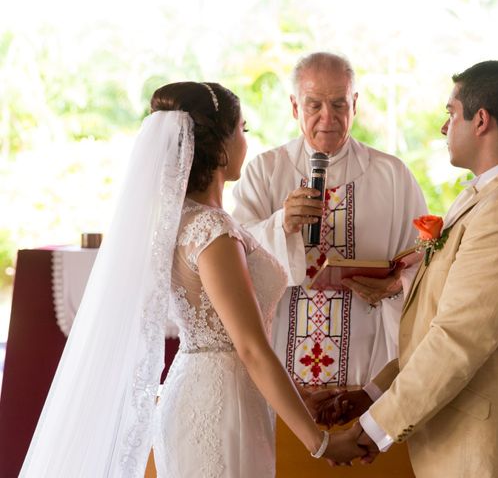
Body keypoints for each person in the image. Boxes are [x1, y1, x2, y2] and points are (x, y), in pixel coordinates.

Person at [20, 82, 364, 477]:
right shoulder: (211, 230)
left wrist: (297, 398)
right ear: (219, 145)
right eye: (243, 130)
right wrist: (320, 443)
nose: (245, 143)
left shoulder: (180, 221)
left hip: (211, 392)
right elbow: (249, 346)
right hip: (218, 408)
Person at [321, 60, 498, 477]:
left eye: (450, 114)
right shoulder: (486, 195)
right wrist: (373, 393)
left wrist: (368, 432)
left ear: (481, 120)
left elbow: (457, 341)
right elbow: (438, 323)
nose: (443, 127)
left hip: (489, 448)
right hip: (462, 440)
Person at [232, 52, 428, 387]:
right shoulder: (264, 172)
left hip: (365, 359)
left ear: (355, 104)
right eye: (314, 105)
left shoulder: (393, 176)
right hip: (280, 357)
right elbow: (233, 256)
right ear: (295, 107)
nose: (328, 117)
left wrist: (396, 284)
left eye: (339, 104)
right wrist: (281, 226)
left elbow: (424, 260)